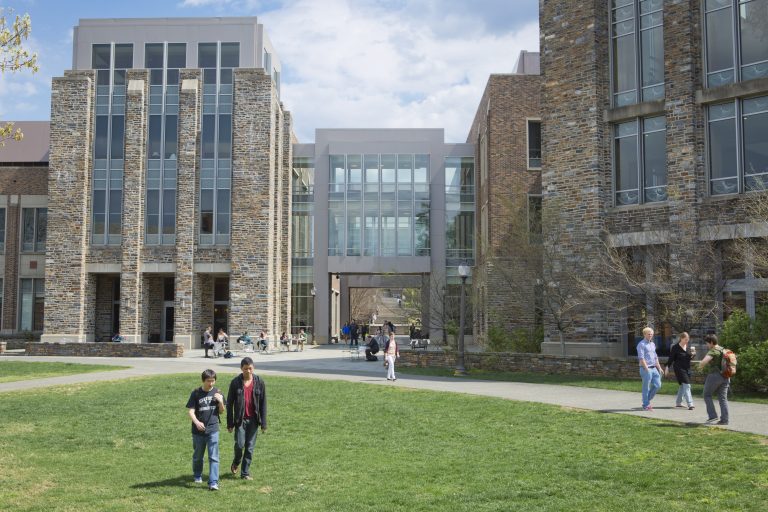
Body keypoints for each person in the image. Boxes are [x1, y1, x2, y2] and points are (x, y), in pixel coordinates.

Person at [226, 357, 267, 481]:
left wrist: (263, 423)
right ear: (241, 369)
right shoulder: (235, 383)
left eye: (250, 368)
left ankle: (245, 473)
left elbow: (263, 403)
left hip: (254, 420)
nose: (248, 371)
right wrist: (230, 423)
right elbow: (230, 404)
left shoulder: (259, 382)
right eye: (245, 369)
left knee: (249, 448)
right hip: (240, 420)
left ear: (253, 368)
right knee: (239, 445)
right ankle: (236, 461)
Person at [186, 369, 226, 491]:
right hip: (198, 431)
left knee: (214, 457)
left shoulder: (218, 392)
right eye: (208, 381)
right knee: (198, 456)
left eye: (213, 381)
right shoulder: (196, 393)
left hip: (213, 429)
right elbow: (191, 411)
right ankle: (197, 475)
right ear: (203, 380)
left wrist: (220, 402)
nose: (211, 383)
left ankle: (213, 482)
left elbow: (221, 411)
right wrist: (197, 422)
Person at [699, 334, 730, 425]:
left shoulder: (713, 351)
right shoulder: (723, 349)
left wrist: (700, 366)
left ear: (712, 343)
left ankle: (712, 416)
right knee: (723, 399)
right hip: (726, 376)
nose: (707, 345)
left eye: (707, 344)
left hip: (715, 376)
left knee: (706, 394)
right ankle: (725, 420)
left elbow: (704, 361)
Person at [665, 332, 695, 410]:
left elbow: (688, 358)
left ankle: (678, 403)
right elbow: (671, 358)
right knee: (687, 385)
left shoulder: (688, 347)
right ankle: (690, 404)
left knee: (682, 385)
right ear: (681, 338)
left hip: (686, 368)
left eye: (688, 339)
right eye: (685, 339)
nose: (687, 341)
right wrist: (667, 367)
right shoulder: (675, 347)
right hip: (678, 368)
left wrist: (693, 355)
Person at [637, 326, 663, 411]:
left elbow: (655, 357)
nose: (650, 335)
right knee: (646, 387)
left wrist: (659, 368)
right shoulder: (641, 344)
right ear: (644, 334)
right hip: (645, 369)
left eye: (652, 334)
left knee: (658, 385)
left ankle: (646, 400)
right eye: (649, 334)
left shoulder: (652, 344)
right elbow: (641, 358)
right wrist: (646, 368)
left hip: (654, 368)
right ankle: (646, 405)